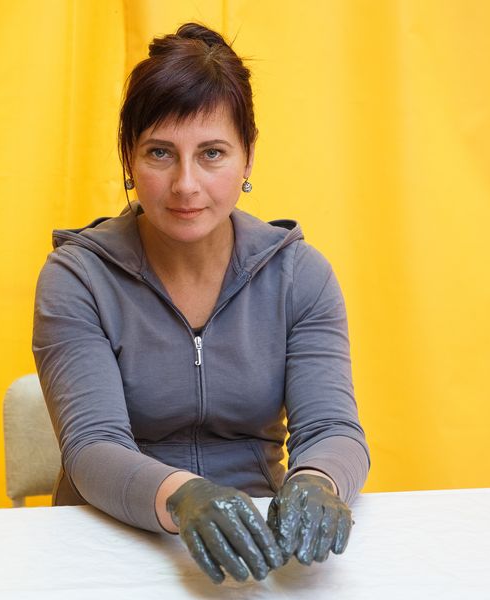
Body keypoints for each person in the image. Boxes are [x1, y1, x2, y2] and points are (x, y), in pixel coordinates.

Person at [32, 22, 370, 584]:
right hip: (105, 546)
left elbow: (333, 428)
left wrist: (317, 480)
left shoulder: (300, 276)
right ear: (128, 158)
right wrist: (186, 496)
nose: (186, 184)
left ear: (248, 156)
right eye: (160, 153)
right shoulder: (77, 278)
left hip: (260, 543)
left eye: (212, 153)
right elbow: (92, 447)